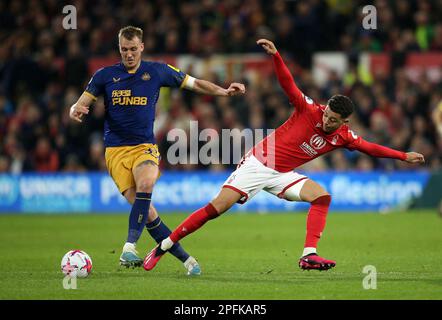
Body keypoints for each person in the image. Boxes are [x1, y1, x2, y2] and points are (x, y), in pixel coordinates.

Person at [143, 38, 425, 272]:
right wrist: (276, 56)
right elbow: (288, 84)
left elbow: (371, 148)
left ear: (344, 122)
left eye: (334, 119)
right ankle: (164, 246)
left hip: (281, 174)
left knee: (322, 196)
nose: (327, 121)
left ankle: (309, 254)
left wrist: (404, 156)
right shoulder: (309, 109)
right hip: (258, 164)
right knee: (214, 210)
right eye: (327, 114)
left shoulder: (344, 137)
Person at [69, 26, 245, 275]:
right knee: (148, 213)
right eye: (124, 50)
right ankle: (187, 260)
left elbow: (194, 84)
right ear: (119, 49)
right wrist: (74, 110)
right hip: (116, 153)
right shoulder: (104, 76)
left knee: (146, 184)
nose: (128, 54)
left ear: (141, 47)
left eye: (133, 49)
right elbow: (80, 103)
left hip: (145, 147)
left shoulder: (157, 71)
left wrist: (224, 91)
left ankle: (129, 246)